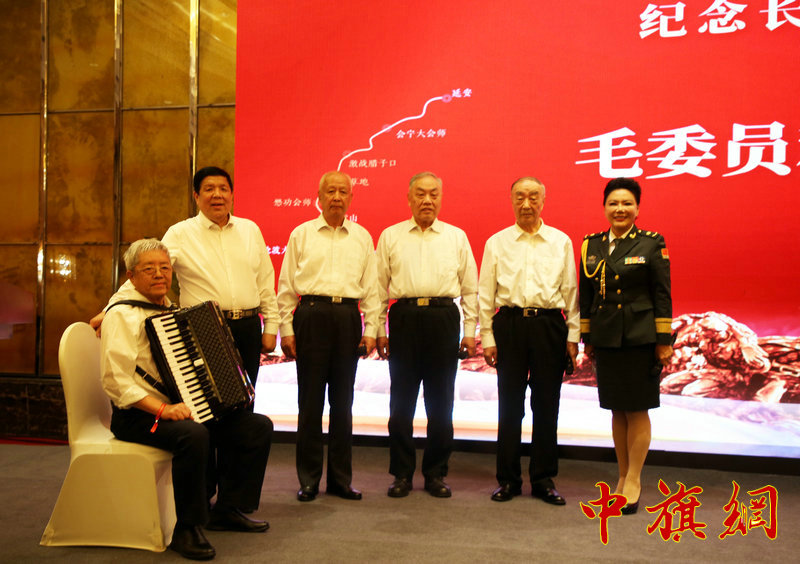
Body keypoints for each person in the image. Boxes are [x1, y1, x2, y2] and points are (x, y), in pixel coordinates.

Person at [101, 239, 273, 561]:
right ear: (131, 276)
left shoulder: (169, 309)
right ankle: (186, 528)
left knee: (256, 426)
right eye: (149, 269)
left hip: (176, 408)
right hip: (136, 416)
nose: (159, 274)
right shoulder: (121, 315)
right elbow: (115, 381)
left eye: (164, 268)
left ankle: (227, 508)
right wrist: (163, 409)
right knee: (193, 435)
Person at [92, 166, 279, 389]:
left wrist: (271, 326)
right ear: (196, 196)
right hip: (203, 327)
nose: (217, 195)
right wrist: (111, 308)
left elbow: (265, 282)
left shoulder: (250, 230)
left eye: (223, 189)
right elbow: (148, 271)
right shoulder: (180, 233)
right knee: (210, 398)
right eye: (209, 189)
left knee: (247, 395)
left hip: (249, 327)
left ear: (231, 195)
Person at [277, 170, 379, 502]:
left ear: (351, 198)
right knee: (309, 403)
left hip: (348, 318)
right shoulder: (301, 234)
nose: (336, 197)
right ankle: (308, 479)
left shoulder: (362, 237)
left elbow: (372, 290)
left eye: (343, 192)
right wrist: (286, 329)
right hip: (311, 315)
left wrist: (372, 330)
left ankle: (340, 480)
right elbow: (286, 288)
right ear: (318, 198)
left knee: (343, 403)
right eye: (330, 191)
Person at [375, 172, 478, 498]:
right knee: (401, 404)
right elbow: (377, 289)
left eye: (434, 194)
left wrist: (470, 332)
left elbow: (470, 290)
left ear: (441, 198)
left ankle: (436, 473)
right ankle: (401, 474)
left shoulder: (456, 237)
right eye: (420, 194)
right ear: (409, 198)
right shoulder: (391, 236)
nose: (427, 200)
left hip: (443, 318)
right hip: (404, 318)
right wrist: (378, 329)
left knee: (441, 403)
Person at [478, 177, 579, 504]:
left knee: (547, 405)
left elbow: (571, 292)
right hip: (509, 325)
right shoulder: (497, 242)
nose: (526, 204)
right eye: (520, 197)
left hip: (549, 325)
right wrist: (487, 336)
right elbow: (485, 294)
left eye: (533, 197)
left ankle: (543, 479)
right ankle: (508, 479)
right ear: (511, 200)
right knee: (510, 406)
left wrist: (573, 336)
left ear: (543, 201)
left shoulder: (560, 241)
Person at [579, 177, 673, 515]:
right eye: (613, 203)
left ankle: (634, 478)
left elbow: (662, 294)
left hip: (640, 337)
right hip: (606, 337)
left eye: (627, 203)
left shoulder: (651, 243)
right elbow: (586, 294)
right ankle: (621, 476)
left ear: (637, 208)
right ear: (604, 207)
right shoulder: (591, 245)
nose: (620, 209)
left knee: (637, 409)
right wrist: (588, 338)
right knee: (617, 409)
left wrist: (663, 340)